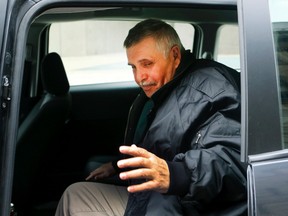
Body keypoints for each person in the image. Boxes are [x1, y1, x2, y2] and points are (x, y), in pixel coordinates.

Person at [55, 18, 247, 216]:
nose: (139, 77)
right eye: (133, 67)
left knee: (74, 197)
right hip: (156, 198)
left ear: (175, 55)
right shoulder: (168, 88)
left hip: (179, 207)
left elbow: (234, 162)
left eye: (147, 64)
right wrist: (117, 165)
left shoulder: (209, 92)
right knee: (75, 191)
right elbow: (163, 145)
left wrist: (176, 175)